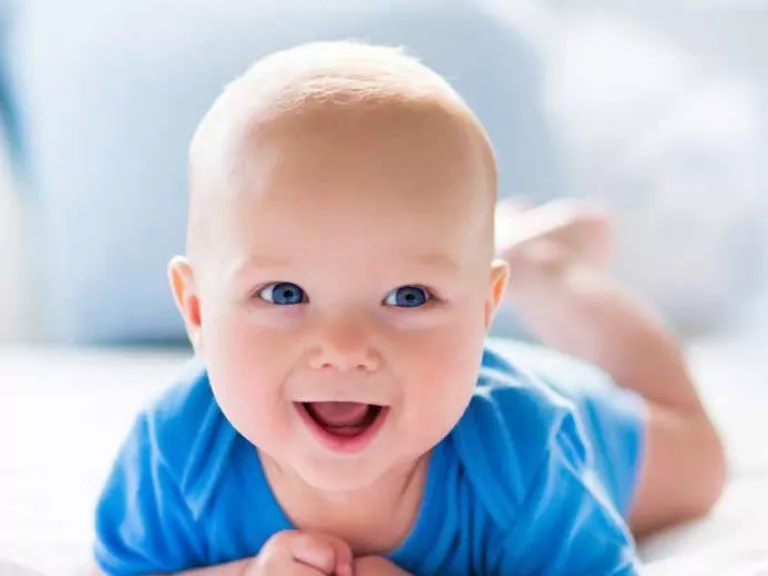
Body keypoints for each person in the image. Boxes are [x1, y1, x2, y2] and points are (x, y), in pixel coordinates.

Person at [92, 42, 724, 576]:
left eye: (409, 296)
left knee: (701, 463)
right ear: (198, 312)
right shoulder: (176, 449)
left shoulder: (526, 451)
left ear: (483, 311)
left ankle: (547, 271)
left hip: (584, 421)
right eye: (285, 294)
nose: (342, 347)